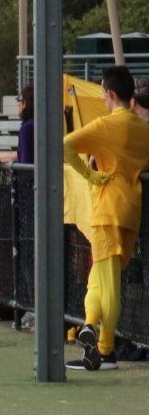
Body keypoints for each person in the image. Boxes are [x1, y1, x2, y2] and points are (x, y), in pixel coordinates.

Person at [64, 64, 149, 370]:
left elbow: (66, 145)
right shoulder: (143, 128)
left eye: (102, 93)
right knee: (100, 277)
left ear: (110, 94)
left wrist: (89, 174)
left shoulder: (105, 126)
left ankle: (105, 349)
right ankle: (89, 327)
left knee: (107, 280)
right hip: (132, 210)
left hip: (106, 208)